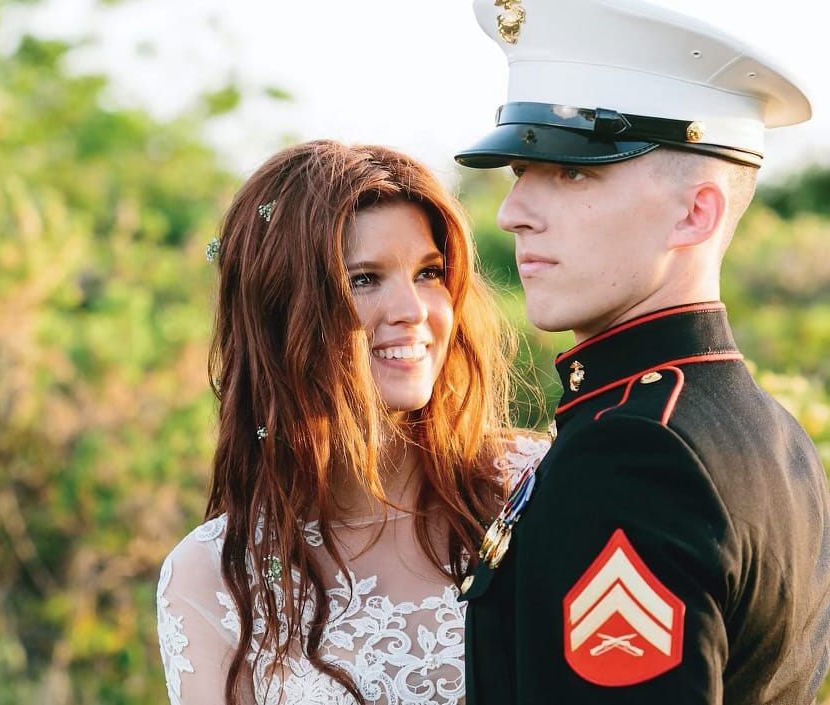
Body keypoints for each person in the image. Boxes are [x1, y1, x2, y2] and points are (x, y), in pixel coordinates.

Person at [452, 0, 830, 703]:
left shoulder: (633, 451)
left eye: (572, 173)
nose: (513, 211)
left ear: (697, 212)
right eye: (519, 170)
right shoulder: (772, 432)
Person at [155, 139, 549, 705]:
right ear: (280, 311)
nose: (412, 310)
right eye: (364, 279)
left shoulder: (534, 487)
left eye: (429, 273)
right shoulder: (212, 577)